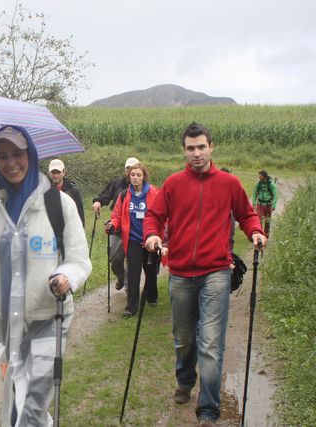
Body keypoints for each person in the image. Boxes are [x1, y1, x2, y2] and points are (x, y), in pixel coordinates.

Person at [0, 125, 92, 426]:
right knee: (14, 394)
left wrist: (64, 276)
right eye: (2, 156)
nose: (10, 163)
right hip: (2, 323)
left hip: (48, 317)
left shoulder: (59, 204)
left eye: (17, 154)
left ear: (31, 155)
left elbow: (79, 260)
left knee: (33, 403)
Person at [143, 122, 266, 427]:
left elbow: (247, 214)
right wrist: (152, 236)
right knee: (184, 339)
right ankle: (185, 380)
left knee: (210, 341)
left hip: (216, 271)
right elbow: (155, 216)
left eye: (201, 146)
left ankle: (208, 409)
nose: (196, 153)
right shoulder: (172, 184)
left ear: (212, 147)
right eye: (190, 148)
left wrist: (255, 232)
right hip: (181, 272)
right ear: (184, 150)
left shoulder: (229, 183)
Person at [105, 162, 159, 317]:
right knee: (133, 272)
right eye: (133, 175)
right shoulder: (124, 195)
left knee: (150, 270)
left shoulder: (153, 193)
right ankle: (131, 307)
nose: (135, 178)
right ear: (129, 177)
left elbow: (161, 214)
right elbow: (116, 216)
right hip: (133, 239)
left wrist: (160, 236)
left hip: (150, 237)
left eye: (138, 175)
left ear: (144, 177)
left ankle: (151, 295)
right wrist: (112, 225)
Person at [92, 157, 140, 290]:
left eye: (134, 168)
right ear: (125, 171)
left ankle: (130, 292)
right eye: (128, 169)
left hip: (135, 230)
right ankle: (120, 276)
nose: (131, 172)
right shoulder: (117, 183)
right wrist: (98, 202)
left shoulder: (143, 186)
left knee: (132, 261)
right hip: (118, 228)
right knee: (115, 259)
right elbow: (105, 196)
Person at [47, 158, 85, 226]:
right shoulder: (45, 190)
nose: (55, 175)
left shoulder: (73, 190)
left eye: (58, 172)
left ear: (64, 172)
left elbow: (80, 214)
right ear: (49, 173)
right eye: (53, 172)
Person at [252, 169, 277, 236]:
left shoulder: (271, 185)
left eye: (260, 176)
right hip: (259, 204)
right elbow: (254, 193)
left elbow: (275, 195)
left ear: (264, 176)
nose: (259, 177)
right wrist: (253, 203)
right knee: (258, 219)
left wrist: (273, 205)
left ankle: (266, 234)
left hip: (268, 205)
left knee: (267, 220)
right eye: (259, 176)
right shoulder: (258, 184)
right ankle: (259, 233)